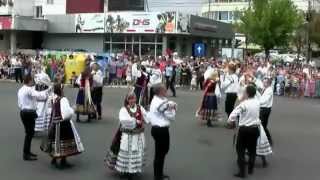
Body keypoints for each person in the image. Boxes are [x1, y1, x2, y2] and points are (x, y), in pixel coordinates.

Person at [105, 92, 149, 180]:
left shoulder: (140, 108)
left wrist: (146, 119)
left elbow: (147, 117)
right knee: (127, 153)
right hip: (127, 135)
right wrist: (136, 121)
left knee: (136, 152)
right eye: (130, 99)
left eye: (134, 98)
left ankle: (133, 169)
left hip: (138, 135)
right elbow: (124, 120)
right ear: (127, 100)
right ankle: (125, 171)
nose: (132, 100)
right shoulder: (123, 109)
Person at [41, 84, 84, 168]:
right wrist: (73, 109)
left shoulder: (54, 98)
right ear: (61, 90)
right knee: (64, 142)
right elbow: (66, 114)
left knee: (55, 141)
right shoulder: (63, 99)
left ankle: (54, 159)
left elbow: (51, 111)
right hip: (62, 124)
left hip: (54, 123)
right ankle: (63, 160)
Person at [227, 85, 260, 178]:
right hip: (254, 129)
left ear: (247, 93)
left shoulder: (244, 104)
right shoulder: (257, 102)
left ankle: (242, 172)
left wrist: (230, 121)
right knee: (252, 149)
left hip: (244, 129)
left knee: (240, 150)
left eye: (245, 92)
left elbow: (233, 115)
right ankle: (251, 165)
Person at [149, 84, 177, 180]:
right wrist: (173, 108)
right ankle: (158, 176)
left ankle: (159, 173)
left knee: (162, 152)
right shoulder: (159, 102)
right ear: (160, 92)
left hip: (159, 129)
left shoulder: (159, 100)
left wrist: (171, 107)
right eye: (165, 90)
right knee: (160, 153)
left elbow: (169, 108)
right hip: (160, 130)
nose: (167, 91)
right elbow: (171, 116)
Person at [18, 75, 49, 161]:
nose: (33, 82)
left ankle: (27, 152)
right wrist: (47, 91)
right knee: (29, 134)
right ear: (29, 81)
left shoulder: (22, 89)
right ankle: (26, 154)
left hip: (24, 112)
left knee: (29, 134)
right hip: (28, 113)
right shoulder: (28, 90)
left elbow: (34, 99)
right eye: (32, 80)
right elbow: (38, 95)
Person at [259, 77, 274, 167]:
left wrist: (257, 101)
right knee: (263, 125)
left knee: (263, 125)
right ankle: (268, 138)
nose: (263, 83)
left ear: (268, 83)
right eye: (263, 82)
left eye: (265, 82)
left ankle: (268, 138)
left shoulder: (269, 91)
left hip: (265, 109)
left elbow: (264, 101)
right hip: (263, 108)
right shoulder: (265, 88)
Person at [34, 68, 53, 133]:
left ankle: (40, 128)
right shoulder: (36, 86)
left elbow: (46, 94)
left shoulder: (46, 86)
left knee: (43, 115)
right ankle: (35, 129)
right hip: (38, 103)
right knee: (37, 116)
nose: (38, 82)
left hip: (43, 103)